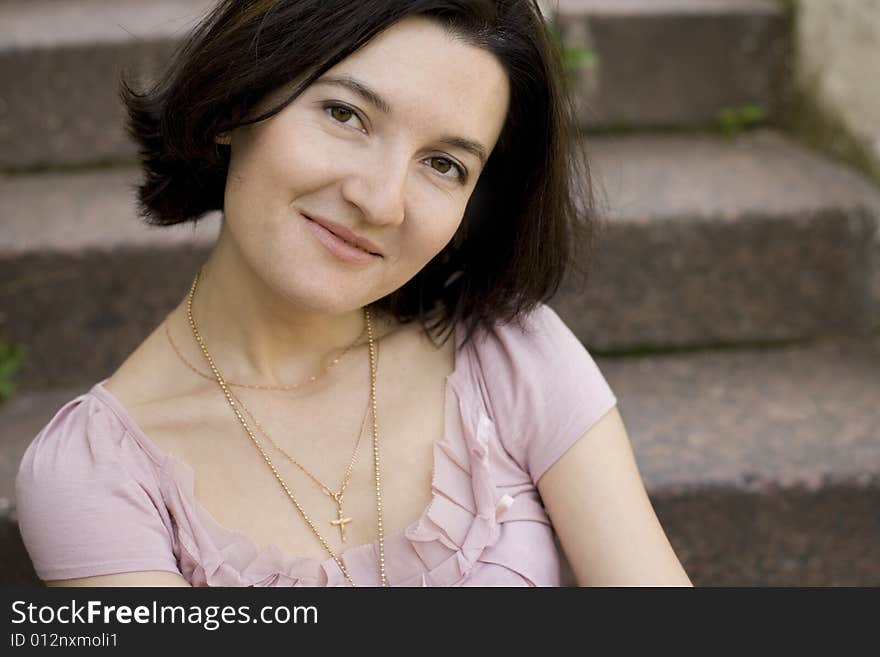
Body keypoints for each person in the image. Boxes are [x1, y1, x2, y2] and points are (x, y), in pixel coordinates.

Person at [15, 0, 692, 587]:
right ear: (236, 100)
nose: (380, 200)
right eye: (346, 114)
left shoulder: (510, 353)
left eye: (443, 164)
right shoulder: (96, 476)